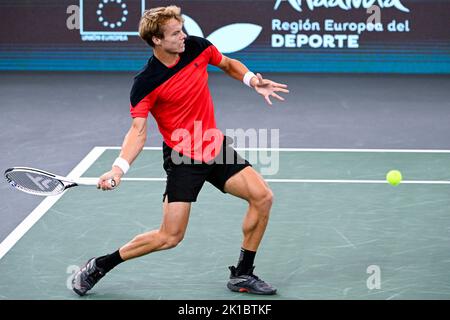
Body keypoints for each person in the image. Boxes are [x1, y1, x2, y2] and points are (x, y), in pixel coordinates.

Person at [72, 5, 289, 296]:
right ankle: (100, 264)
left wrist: (252, 80)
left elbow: (227, 63)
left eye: (182, 29)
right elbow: (138, 131)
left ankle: (243, 274)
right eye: (175, 33)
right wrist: (118, 168)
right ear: (157, 41)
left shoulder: (197, 48)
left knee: (262, 197)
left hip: (215, 147)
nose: (183, 36)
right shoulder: (146, 82)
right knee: (170, 236)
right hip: (182, 158)